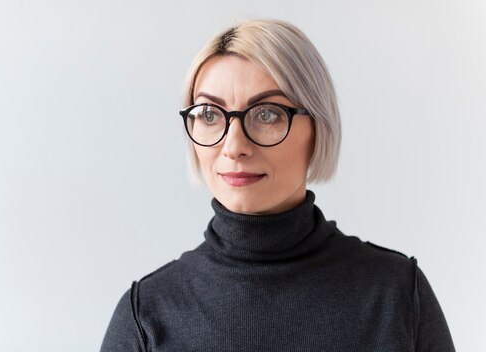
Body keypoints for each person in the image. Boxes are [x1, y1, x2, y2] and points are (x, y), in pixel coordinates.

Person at [100, 19, 455, 351]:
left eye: (267, 113)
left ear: (317, 128)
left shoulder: (396, 295)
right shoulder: (147, 314)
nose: (234, 145)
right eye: (209, 115)